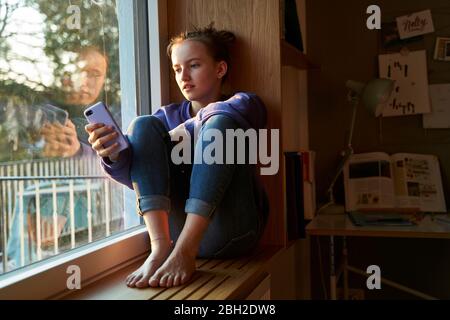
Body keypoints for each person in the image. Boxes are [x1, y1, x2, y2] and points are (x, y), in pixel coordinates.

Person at [85, 25, 269, 288]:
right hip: (176, 235)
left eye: (193, 65)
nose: (184, 76)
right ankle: (159, 248)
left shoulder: (246, 104)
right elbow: (141, 178)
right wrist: (113, 154)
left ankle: (184, 250)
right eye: (177, 69)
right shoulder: (166, 118)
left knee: (219, 127)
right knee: (142, 125)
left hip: (233, 231)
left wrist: (185, 130)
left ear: (220, 69)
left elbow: (221, 116)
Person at [40, 46, 109, 159]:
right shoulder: (44, 112)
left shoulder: (117, 118)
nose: (84, 82)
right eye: (78, 71)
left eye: (95, 74)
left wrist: (79, 151)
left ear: (104, 80)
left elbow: (120, 162)